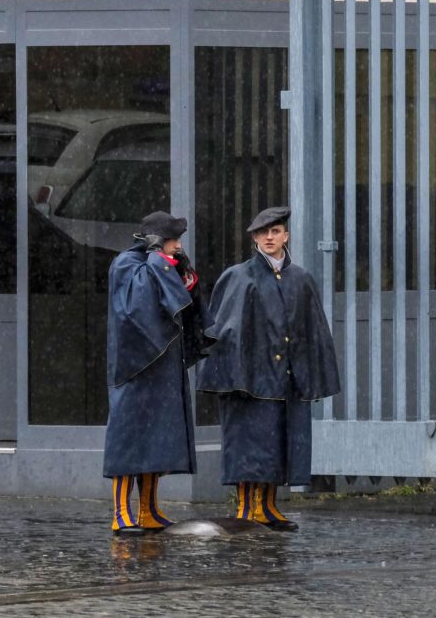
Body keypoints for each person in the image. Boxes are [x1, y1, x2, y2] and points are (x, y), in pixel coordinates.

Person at [198, 206, 341, 531]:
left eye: (275, 231)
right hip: (251, 381)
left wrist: (309, 375)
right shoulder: (238, 276)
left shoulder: (300, 279)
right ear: (253, 239)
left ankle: (268, 506)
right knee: (251, 443)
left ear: (285, 235)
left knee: (278, 442)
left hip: (285, 381)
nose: (268, 238)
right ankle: (249, 508)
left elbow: (313, 331)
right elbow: (225, 330)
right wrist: (237, 373)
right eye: (262, 233)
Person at [103, 210, 209, 535]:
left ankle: (148, 511)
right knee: (128, 440)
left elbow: (178, 304)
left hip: (162, 366)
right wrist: (163, 265)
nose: (178, 246)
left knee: (156, 441)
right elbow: (136, 306)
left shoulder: (159, 263)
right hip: (134, 369)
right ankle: (122, 513)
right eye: (173, 240)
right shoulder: (127, 264)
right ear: (155, 241)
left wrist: (187, 281)